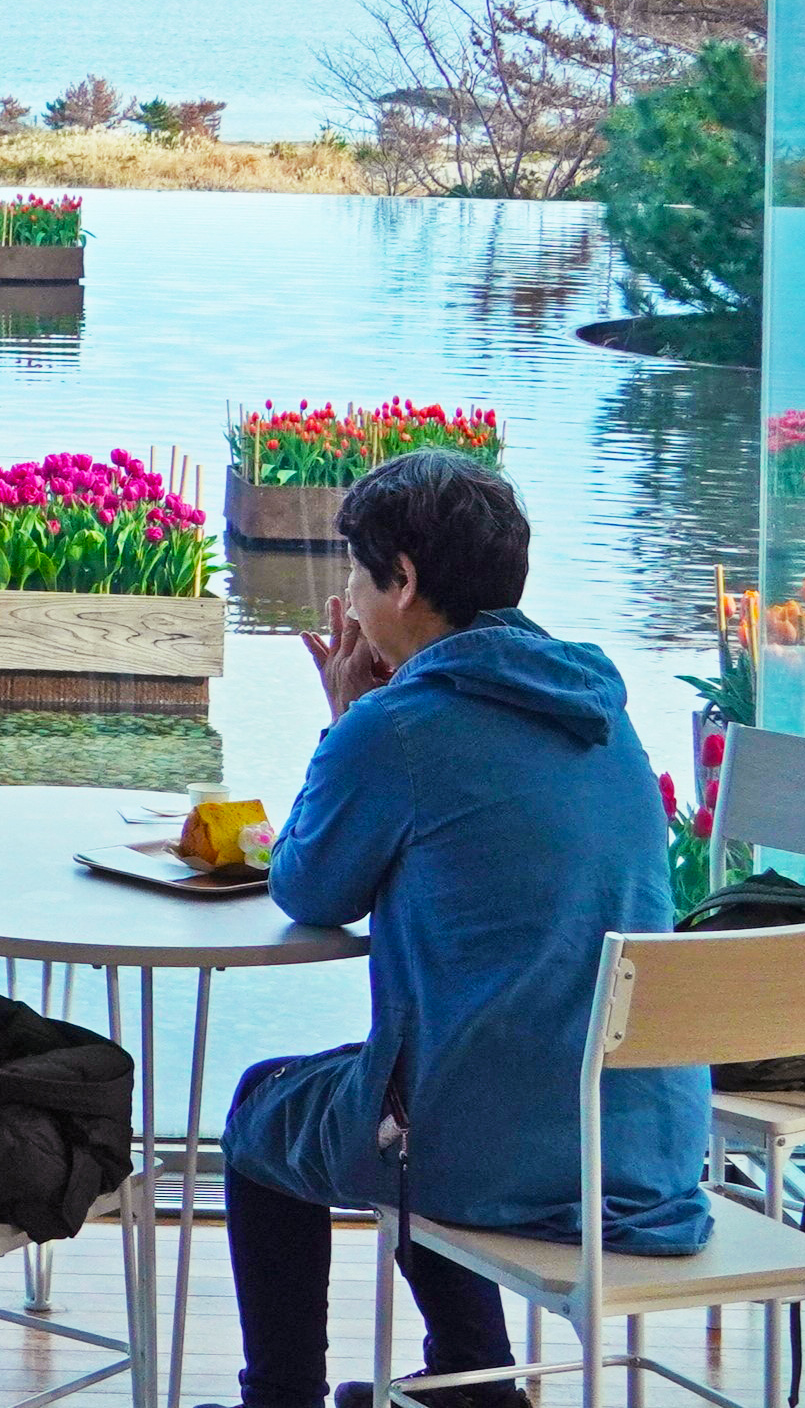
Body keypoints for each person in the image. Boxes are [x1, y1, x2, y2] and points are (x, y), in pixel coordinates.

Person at [218, 450, 709, 1408]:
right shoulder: (603, 712)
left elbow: (309, 886)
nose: (349, 601)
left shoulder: (398, 726)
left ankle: (281, 1399)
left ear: (403, 578)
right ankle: (471, 1378)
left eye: (358, 575)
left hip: (505, 1154)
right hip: (646, 1152)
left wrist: (347, 721)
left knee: (267, 1106)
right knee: (422, 1079)